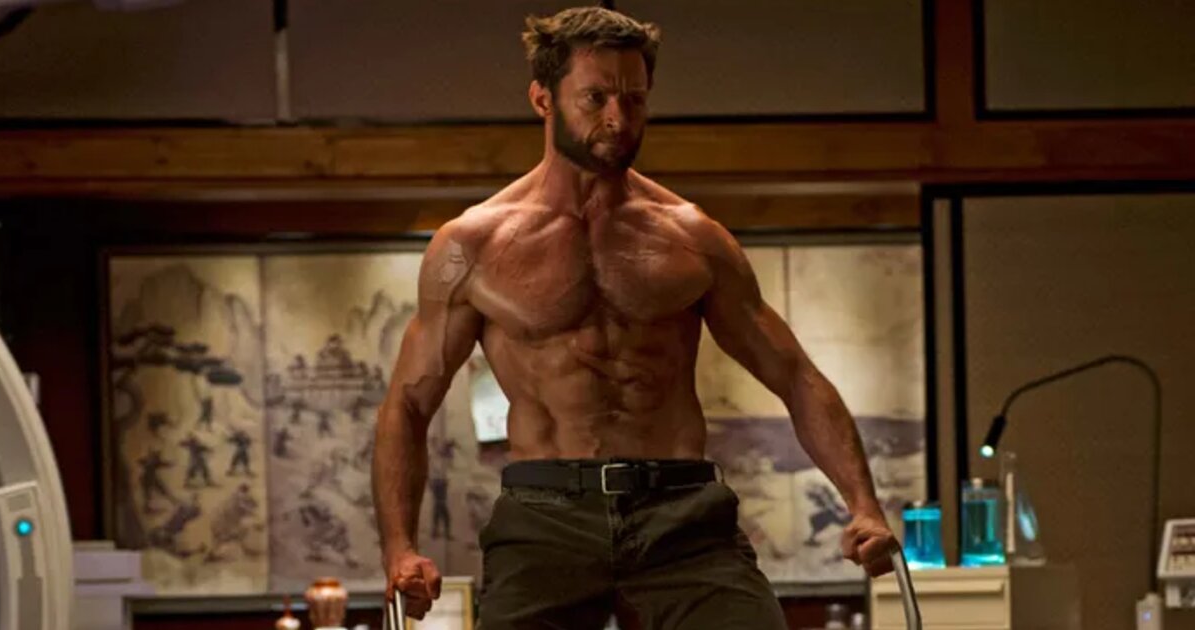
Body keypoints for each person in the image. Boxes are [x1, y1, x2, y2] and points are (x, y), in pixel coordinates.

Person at [372, 7, 897, 628]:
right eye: (595, 98)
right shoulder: (473, 247)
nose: (618, 119)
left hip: (683, 516)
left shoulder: (694, 238)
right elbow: (409, 404)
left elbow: (795, 376)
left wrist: (864, 506)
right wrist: (400, 548)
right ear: (542, 99)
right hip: (545, 517)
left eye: (635, 99)